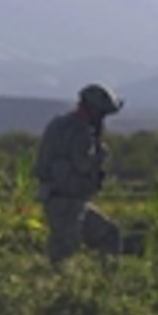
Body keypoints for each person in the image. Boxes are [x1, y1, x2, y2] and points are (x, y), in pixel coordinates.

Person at [35, 83, 124, 265]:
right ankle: (59, 290)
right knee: (64, 253)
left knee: (109, 234)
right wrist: (100, 153)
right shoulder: (80, 132)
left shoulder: (59, 124)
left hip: (69, 201)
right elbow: (83, 164)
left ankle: (107, 284)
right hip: (65, 202)